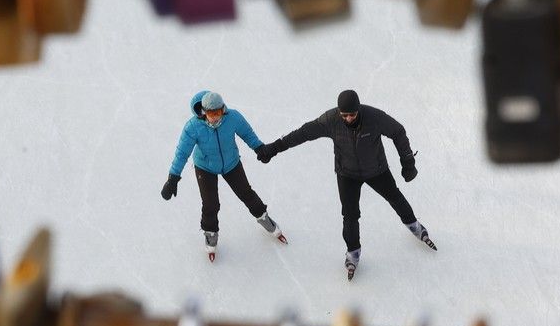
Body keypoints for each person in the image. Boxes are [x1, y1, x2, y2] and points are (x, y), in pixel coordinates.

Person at [257, 89, 434, 280]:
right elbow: (303, 133)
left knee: (395, 197)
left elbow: (398, 131)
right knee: (350, 215)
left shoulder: (373, 117)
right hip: (347, 174)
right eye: (344, 115)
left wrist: (408, 162)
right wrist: (274, 148)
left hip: (377, 170)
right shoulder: (331, 120)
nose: (348, 119)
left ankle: (414, 225)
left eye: (352, 114)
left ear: (358, 110)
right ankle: (353, 252)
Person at [162, 90, 286, 261]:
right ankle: (210, 234)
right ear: (204, 112)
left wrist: (259, 148)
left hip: (231, 163)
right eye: (212, 113)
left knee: (246, 193)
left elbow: (247, 134)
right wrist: (173, 178)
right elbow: (182, 153)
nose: (216, 117)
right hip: (205, 167)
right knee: (210, 203)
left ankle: (264, 218)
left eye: (219, 112)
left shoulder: (232, 118)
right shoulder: (193, 127)